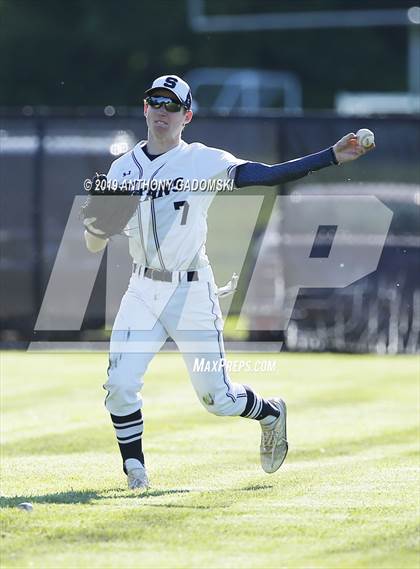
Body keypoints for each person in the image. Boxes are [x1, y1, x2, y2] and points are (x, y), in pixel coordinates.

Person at [84, 74, 374, 490]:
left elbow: (266, 175)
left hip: (190, 291)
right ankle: (136, 472)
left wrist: (329, 156)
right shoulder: (121, 168)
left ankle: (271, 412)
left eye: (172, 105)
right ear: (145, 108)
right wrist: (97, 227)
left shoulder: (202, 160)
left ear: (187, 116)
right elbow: (93, 245)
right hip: (143, 288)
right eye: (155, 102)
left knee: (217, 400)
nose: (162, 111)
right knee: (120, 386)